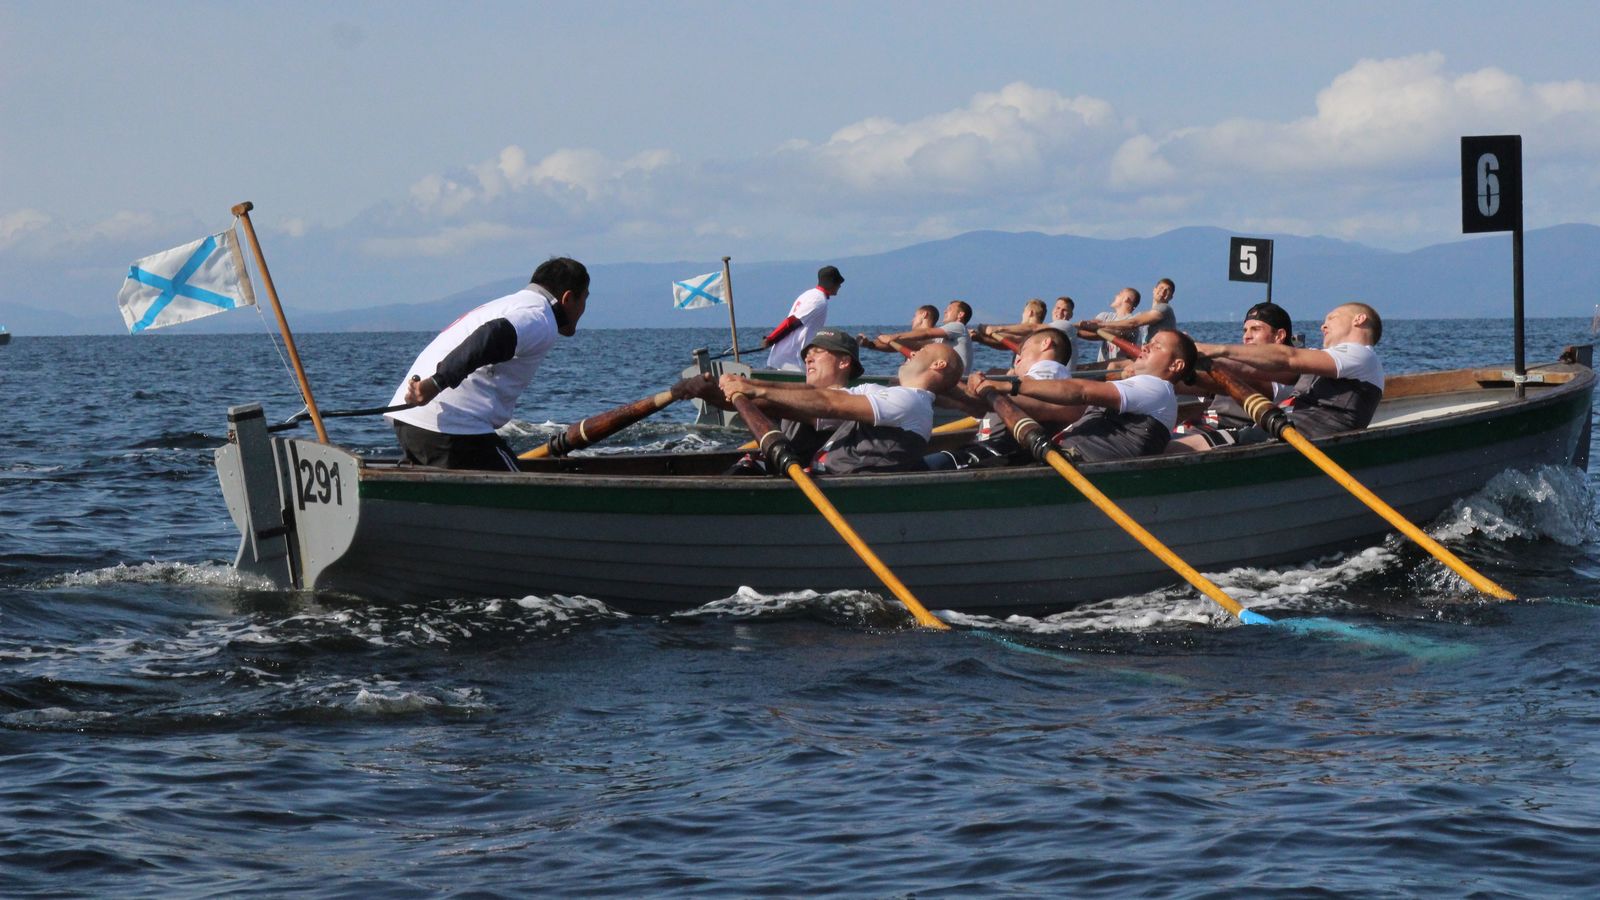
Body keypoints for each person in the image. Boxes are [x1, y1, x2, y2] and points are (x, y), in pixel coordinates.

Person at [385, 257, 589, 471]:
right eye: (584, 298)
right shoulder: (539, 317)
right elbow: (493, 335)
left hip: (410, 420)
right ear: (568, 298)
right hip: (449, 427)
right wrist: (436, 383)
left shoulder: (511, 304)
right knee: (521, 489)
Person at [719, 343, 964, 474]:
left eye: (923, 350)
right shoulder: (881, 392)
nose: (913, 352)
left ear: (938, 364)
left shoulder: (911, 402)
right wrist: (744, 387)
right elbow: (819, 397)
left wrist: (756, 390)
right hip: (814, 477)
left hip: (840, 489)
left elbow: (830, 404)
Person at [971, 328, 1198, 462]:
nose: (1145, 347)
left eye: (1156, 346)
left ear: (1176, 365)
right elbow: (1074, 403)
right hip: (1060, 459)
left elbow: (1081, 391)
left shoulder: (1156, 387)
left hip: (1079, 468)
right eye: (1148, 342)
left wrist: (1009, 386)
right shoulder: (1142, 390)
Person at [1195, 302, 1385, 440]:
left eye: (1332, 318)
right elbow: (1252, 370)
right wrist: (1197, 360)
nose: (1323, 326)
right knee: (1185, 443)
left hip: (1291, 445)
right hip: (1269, 434)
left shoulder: (1361, 355)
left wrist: (1217, 349)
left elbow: (1288, 358)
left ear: (1359, 319)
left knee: (1188, 445)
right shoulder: (1321, 360)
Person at [712, 328, 863, 475]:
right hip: (781, 470)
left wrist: (723, 393)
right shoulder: (796, 397)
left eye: (818, 352)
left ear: (844, 362)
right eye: (807, 355)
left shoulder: (851, 404)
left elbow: (771, 403)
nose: (808, 359)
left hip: (810, 475)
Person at [926, 328, 1075, 470]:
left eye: (1023, 351)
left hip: (1005, 453)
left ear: (1046, 344)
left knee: (925, 465)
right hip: (988, 450)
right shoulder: (1027, 382)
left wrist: (944, 379)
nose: (1017, 359)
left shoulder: (1049, 368)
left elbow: (1027, 401)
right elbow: (978, 406)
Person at [1170, 301, 1295, 451]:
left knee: (1163, 447)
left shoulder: (1288, 371)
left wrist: (1197, 361)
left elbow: (1255, 384)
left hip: (1236, 432)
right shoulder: (1234, 367)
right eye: (1245, 330)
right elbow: (1200, 385)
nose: (1247, 336)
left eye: (1256, 329)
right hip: (1202, 425)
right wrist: (1167, 370)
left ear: (1279, 336)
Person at [764, 265, 844, 371]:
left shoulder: (808, 294)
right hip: (790, 362)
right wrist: (771, 339)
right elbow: (792, 321)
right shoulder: (818, 300)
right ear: (830, 282)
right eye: (838, 282)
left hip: (780, 359)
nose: (840, 286)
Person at [869, 300, 973, 372]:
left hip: (955, 382)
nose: (945, 311)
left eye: (949, 309)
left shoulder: (958, 326)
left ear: (960, 315)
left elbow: (927, 333)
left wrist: (894, 337)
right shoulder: (943, 338)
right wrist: (870, 344)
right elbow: (908, 344)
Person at [1076, 287, 1141, 362]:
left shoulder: (1131, 323)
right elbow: (1088, 328)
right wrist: (1073, 328)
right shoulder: (1105, 316)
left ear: (1126, 299)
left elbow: (1097, 335)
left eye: (1119, 294)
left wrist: (1073, 331)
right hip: (1102, 366)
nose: (1115, 295)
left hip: (1120, 368)